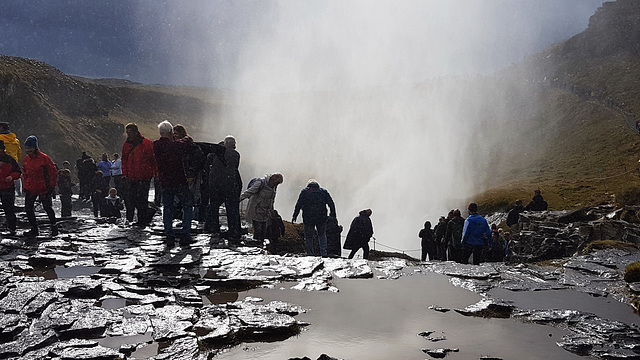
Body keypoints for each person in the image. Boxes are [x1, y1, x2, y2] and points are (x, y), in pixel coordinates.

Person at [153, 120, 194, 244]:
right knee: (187, 206)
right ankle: (185, 234)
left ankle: (169, 235)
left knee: (168, 208)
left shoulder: (156, 145)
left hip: (165, 181)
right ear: (170, 133)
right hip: (180, 181)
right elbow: (185, 143)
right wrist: (187, 138)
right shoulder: (176, 145)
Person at [206, 135, 242, 240]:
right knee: (231, 209)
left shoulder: (214, 153)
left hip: (215, 185)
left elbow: (207, 162)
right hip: (230, 185)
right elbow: (235, 168)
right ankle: (233, 231)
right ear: (233, 145)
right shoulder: (236, 154)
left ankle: (214, 229)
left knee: (214, 207)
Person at [22, 135, 58, 237]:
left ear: (35, 147)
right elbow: (25, 173)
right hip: (31, 188)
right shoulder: (26, 159)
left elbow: (53, 172)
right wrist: (25, 186)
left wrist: (51, 187)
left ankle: (54, 227)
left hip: (44, 188)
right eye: (27, 148)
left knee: (47, 208)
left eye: (30, 148)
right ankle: (34, 229)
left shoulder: (44, 158)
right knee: (28, 208)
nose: (28, 150)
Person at [121, 123, 157, 225]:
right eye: (127, 133)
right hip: (131, 177)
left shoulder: (146, 143)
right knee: (131, 200)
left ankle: (141, 221)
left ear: (136, 132)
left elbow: (152, 158)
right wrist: (124, 173)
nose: (128, 135)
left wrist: (154, 173)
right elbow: (124, 159)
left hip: (144, 177)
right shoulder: (126, 144)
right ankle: (132, 219)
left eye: (130, 133)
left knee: (142, 200)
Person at [292, 179, 337, 257]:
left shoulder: (305, 192)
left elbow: (298, 204)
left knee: (309, 236)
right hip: (321, 217)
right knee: (322, 235)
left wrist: (295, 215)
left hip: (308, 217)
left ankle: (310, 253)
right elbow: (331, 203)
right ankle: (324, 252)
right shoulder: (323, 191)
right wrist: (333, 215)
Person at [239, 173, 284, 243]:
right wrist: (238, 200)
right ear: (272, 180)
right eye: (276, 183)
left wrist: (271, 210)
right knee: (258, 230)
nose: (276, 185)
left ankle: (260, 245)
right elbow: (249, 192)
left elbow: (271, 200)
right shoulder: (260, 183)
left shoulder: (273, 187)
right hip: (256, 211)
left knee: (264, 231)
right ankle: (256, 245)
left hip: (265, 213)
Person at [174, 125, 206, 220]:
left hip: (189, 175)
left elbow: (196, 160)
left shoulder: (188, 145)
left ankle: (186, 219)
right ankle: (184, 218)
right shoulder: (186, 144)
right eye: (174, 134)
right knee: (184, 198)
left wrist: (191, 170)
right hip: (182, 174)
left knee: (187, 198)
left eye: (176, 133)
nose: (175, 135)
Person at [0, 139, 21, 235]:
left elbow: (18, 172)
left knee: (9, 209)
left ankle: (12, 228)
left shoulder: (9, 159)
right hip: (5, 187)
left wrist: (11, 177)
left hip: (7, 188)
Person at [0, 123, 23, 197]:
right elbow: (19, 152)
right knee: (15, 178)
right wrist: (16, 160)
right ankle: (19, 194)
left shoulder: (0, 138)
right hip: (13, 160)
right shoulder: (16, 140)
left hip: (2, 160)